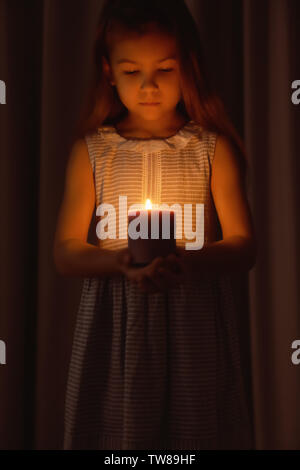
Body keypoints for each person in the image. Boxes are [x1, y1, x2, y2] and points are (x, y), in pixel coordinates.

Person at [53, 0, 257, 450]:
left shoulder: (210, 149)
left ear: (187, 66)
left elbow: (244, 246)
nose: (149, 86)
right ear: (108, 72)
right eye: (132, 72)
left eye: (164, 70)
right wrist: (124, 265)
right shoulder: (93, 152)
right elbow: (65, 252)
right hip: (114, 327)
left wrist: (184, 261)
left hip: (193, 323)